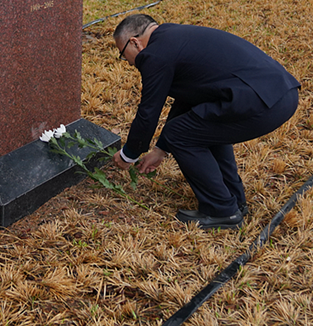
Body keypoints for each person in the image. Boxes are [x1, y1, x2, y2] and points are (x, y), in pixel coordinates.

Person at [111, 14, 300, 230]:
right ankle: (234, 201)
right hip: (281, 93)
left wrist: (129, 154)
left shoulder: (154, 54)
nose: (128, 62)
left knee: (179, 133)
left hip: (261, 102)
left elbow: (148, 111)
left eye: (123, 55)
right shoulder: (175, 37)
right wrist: (160, 150)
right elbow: (190, 100)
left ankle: (221, 211)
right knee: (201, 128)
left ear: (134, 42)